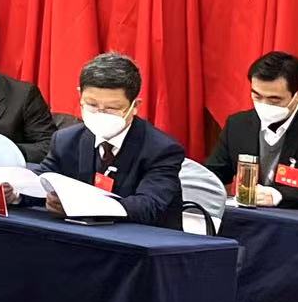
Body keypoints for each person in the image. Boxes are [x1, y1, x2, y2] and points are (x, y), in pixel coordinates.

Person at [25, 53, 186, 228]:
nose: (100, 113)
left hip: (142, 238)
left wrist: (81, 206)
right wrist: (16, 192)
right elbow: (43, 180)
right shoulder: (66, 140)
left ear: (135, 106)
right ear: (80, 95)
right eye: (92, 105)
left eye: (112, 108)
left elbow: (148, 206)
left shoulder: (162, 149)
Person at [203, 52, 298, 211]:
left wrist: (278, 196)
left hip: (297, 221)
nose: (264, 105)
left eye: (274, 99)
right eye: (257, 96)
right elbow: (212, 176)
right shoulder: (238, 126)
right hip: (246, 219)